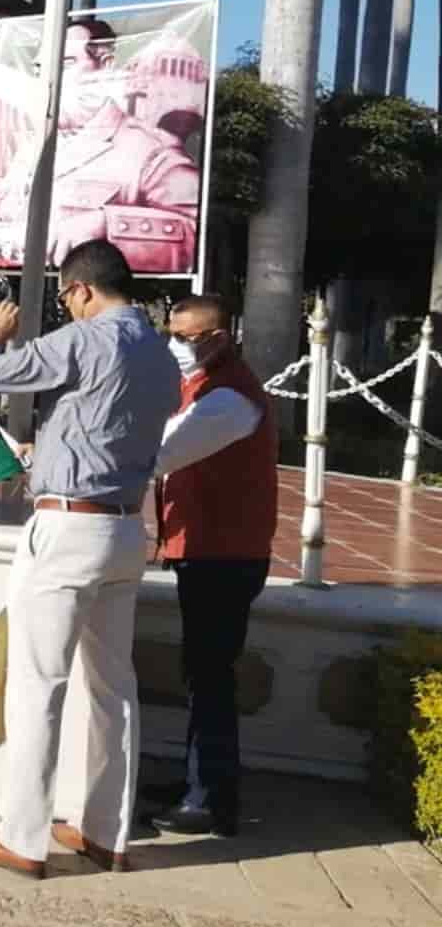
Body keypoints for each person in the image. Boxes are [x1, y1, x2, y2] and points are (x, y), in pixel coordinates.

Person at [0, 239, 181, 879]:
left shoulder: (87, 340)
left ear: (81, 289)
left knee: (39, 683)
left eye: (65, 297)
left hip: (68, 528)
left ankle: (21, 837)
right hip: (124, 528)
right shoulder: (161, 354)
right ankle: (107, 833)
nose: (67, 308)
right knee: (115, 689)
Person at [148, 294, 277, 838]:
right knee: (202, 673)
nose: (178, 345)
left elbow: (161, 453)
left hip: (223, 555)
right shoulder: (201, 385)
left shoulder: (229, 398)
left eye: (190, 337)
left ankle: (210, 799)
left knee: (210, 678)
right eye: (173, 334)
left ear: (223, 337)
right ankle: (197, 780)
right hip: (205, 551)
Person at [49, 20, 202, 276]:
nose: (50, 79)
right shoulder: (28, 147)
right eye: (41, 68)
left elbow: (193, 232)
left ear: (105, 65)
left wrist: (107, 225)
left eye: (65, 64)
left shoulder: (151, 152)